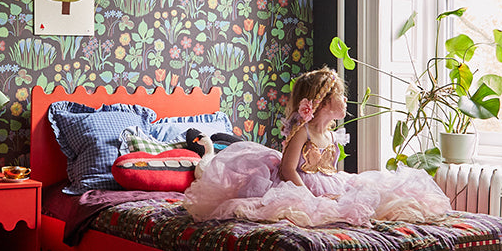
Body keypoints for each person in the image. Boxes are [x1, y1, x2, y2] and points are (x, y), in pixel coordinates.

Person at [183, 66, 452, 227]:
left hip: (329, 184)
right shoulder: (304, 132)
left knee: (375, 196)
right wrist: (307, 197)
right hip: (299, 185)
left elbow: (330, 171)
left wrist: (336, 191)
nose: (346, 99)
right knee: (310, 211)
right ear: (322, 103)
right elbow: (289, 170)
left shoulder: (332, 135)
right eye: (340, 95)